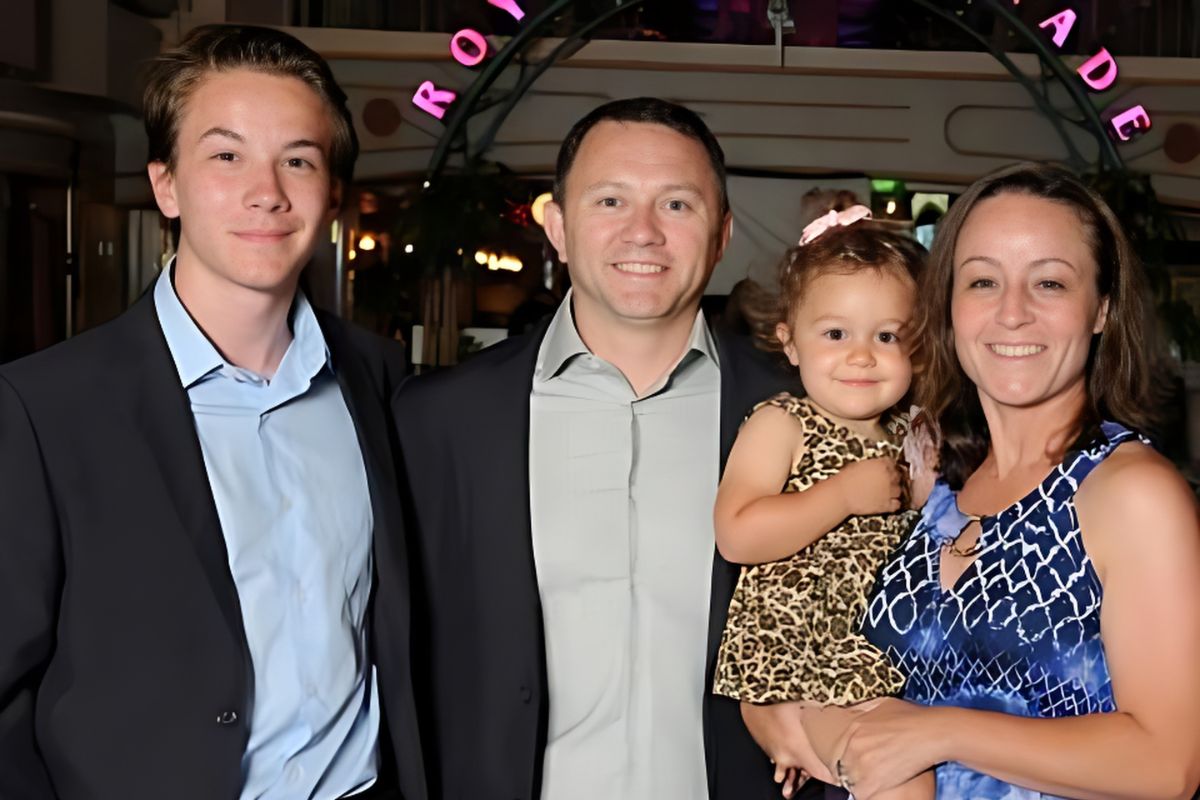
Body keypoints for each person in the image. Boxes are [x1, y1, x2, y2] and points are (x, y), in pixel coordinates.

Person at [0, 25, 425, 800]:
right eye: (226, 156)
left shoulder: (380, 378)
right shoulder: (43, 406)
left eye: (298, 159)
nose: (267, 190)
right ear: (166, 185)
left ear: (331, 192)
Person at [392, 97, 804, 799]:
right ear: (556, 225)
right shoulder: (438, 422)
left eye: (677, 205)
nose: (642, 233)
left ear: (722, 234)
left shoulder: (795, 416)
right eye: (610, 200)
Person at [761, 162, 1200, 799]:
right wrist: (787, 715)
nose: (1012, 313)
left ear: (1101, 308)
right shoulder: (926, 477)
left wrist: (942, 732)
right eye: (983, 281)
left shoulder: (1129, 491)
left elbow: (1170, 766)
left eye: (1049, 282)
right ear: (947, 306)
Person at [712, 207, 934, 800]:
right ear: (789, 341)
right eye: (836, 334)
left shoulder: (915, 430)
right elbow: (737, 534)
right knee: (903, 779)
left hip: (884, 645)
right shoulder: (782, 423)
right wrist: (839, 495)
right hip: (806, 650)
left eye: (887, 336)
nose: (862, 355)